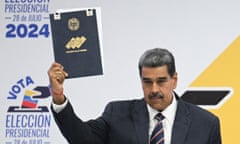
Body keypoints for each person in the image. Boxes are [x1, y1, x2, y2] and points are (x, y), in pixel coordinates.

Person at [48, 48, 222, 144]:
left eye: (161, 81)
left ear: (174, 80)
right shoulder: (116, 114)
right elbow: (82, 139)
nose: (154, 89)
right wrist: (58, 96)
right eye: (147, 82)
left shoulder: (206, 124)